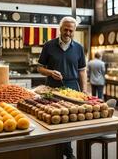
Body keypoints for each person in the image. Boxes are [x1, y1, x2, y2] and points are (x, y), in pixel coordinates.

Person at [37, 16, 87, 159]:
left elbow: (82, 70)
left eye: (71, 30)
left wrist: (84, 90)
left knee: (69, 121)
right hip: (51, 89)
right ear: (60, 29)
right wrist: (50, 72)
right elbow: (39, 68)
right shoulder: (48, 45)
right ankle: (56, 151)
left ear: (74, 31)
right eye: (65, 29)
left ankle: (67, 150)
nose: (68, 33)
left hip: (72, 89)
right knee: (52, 119)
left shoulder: (78, 48)